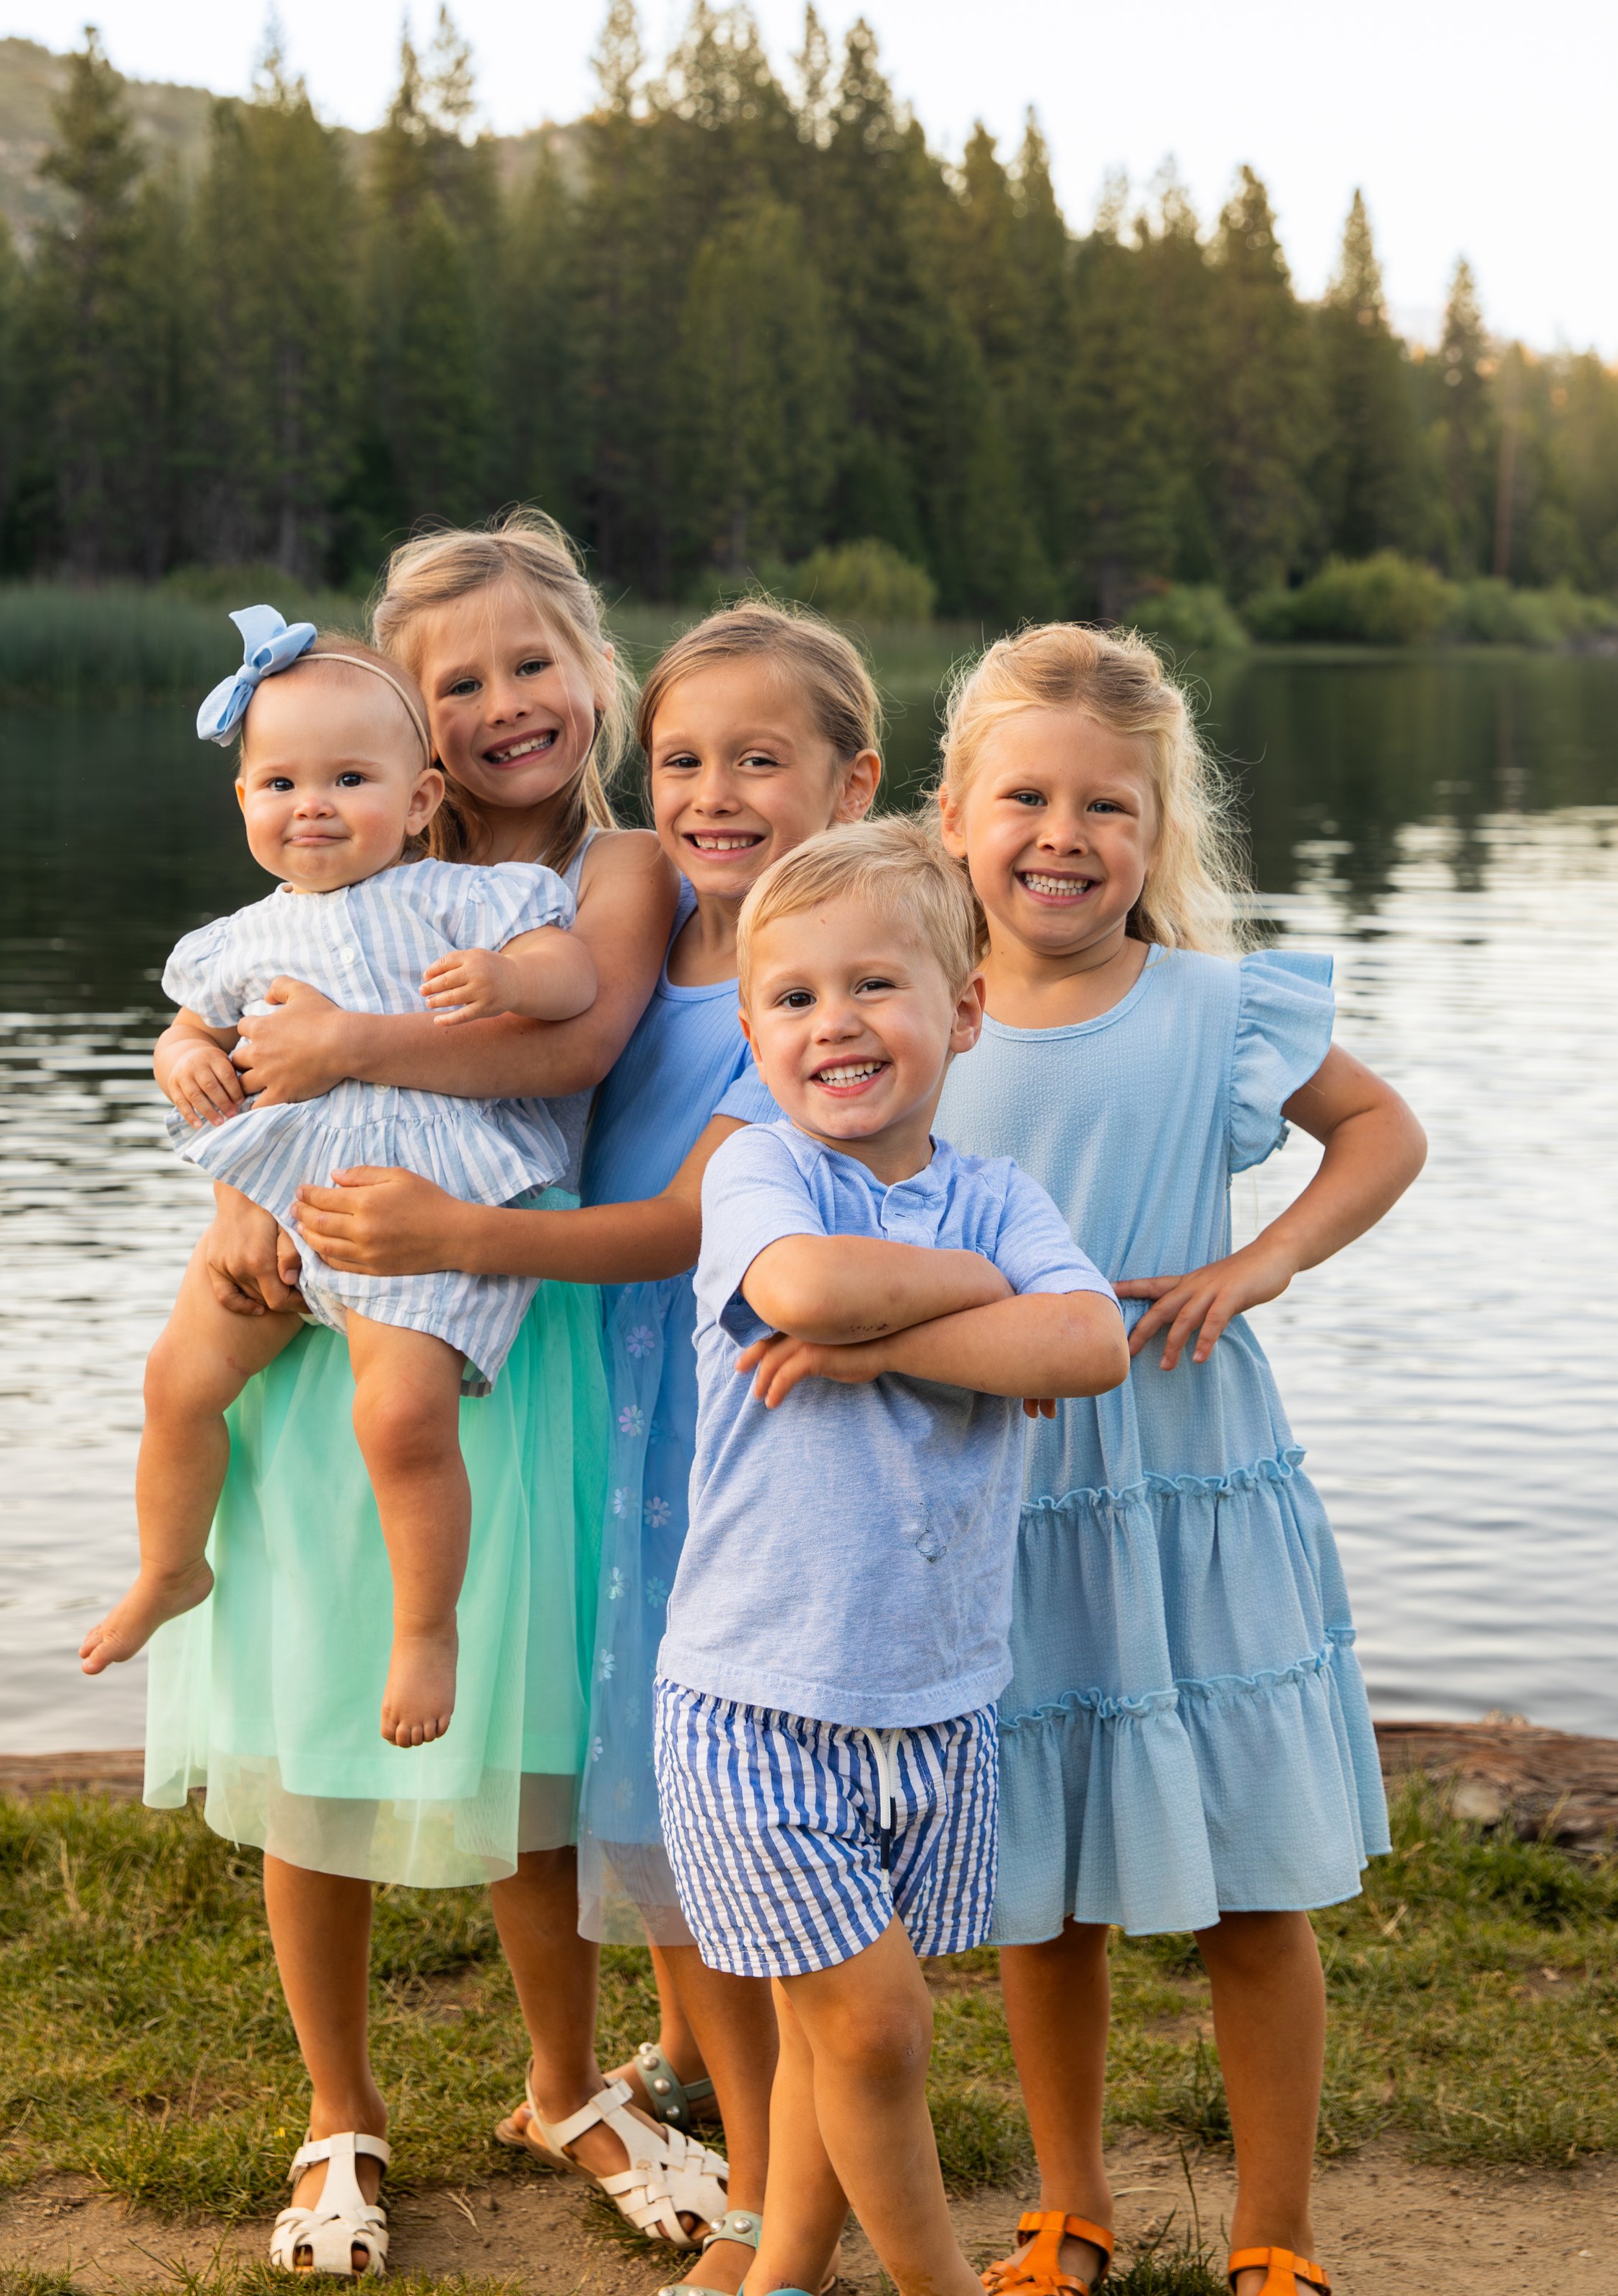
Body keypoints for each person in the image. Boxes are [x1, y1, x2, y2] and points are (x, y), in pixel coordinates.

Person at [137, 514, 724, 2277]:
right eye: (456, 681)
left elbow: (574, 1048)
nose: (500, 706)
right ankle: (338, 2110)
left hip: (494, 1331)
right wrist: (237, 1179)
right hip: (316, 1303)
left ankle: (565, 2083)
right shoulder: (342, 838)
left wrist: (352, 1050)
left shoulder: (605, 874)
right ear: (406, 716)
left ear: (594, 678)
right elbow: (248, 1052)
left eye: (531, 666)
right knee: (304, 1711)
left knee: (511, 1733)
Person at [297, 600, 883, 2295]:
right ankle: (714, 2103)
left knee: (722, 1813)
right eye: (685, 762)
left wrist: (451, 1238)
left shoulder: (775, 959)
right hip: (587, 1402)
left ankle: (773, 2202)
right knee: (665, 1795)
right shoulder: (632, 924)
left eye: (754, 761)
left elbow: (675, 1199)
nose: (709, 793)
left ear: (846, 783)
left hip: (691, 1407)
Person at [931, 623, 1426, 2296]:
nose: (1060, 836)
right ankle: (1064, 2207)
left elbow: (1380, 1132)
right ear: (951, 812)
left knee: (1251, 1885)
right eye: (1024, 796)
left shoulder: (1209, 1008)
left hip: (1188, 1482)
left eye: (1105, 807)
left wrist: (1258, 1260)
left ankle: (1271, 2236)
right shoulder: (911, 1013)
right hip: (1005, 1501)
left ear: (1158, 833)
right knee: (1036, 1889)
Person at [652, 818, 1129, 2296]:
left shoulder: (1000, 1199)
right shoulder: (759, 1179)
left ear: (962, 1010)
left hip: (934, 1700)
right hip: (755, 1694)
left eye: (874, 985)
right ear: (749, 1029)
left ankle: (779, 2276)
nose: (832, 1023)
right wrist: (973, 1316)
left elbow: (1089, 1340)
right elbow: (801, 1285)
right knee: (872, 2027)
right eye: (790, 998)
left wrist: (888, 1338)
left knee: (825, 2028)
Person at [81, 618, 595, 1751]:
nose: (310, 803)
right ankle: (172, 1566)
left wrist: (511, 973)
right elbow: (184, 1031)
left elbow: (571, 975)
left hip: (405, 1209)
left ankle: (426, 1628)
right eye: (280, 781)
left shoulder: (467, 897)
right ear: (245, 802)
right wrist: (185, 1058)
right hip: (275, 1207)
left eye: (347, 778)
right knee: (176, 1379)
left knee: (401, 1414)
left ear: (418, 801)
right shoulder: (239, 937)